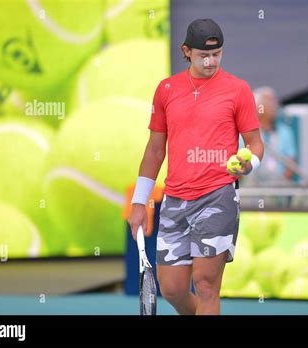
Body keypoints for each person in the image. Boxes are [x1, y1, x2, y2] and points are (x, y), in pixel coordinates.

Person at [128, 19, 264, 315]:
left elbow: (255, 144)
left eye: (216, 54)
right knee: (173, 289)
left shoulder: (238, 90)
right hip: (174, 201)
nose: (211, 61)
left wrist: (247, 164)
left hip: (217, 198)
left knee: (205, 286)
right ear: (186, 51)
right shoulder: (166, 89)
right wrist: (140, 202)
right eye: (203, 54)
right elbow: (154, 150)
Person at [241, 86, 298, 186]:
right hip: (251, 188)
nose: (275, 106)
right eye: (270, 103)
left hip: (278, 189)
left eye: (275, 102)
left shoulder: (285, 131)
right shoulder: (245, 132)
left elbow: (291, 162)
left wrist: (280, 184)